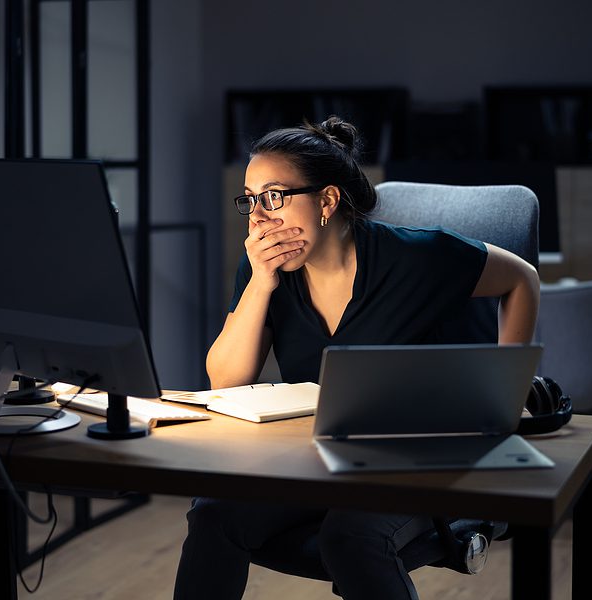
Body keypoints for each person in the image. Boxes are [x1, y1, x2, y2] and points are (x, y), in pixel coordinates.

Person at [173, 116, 540, 600]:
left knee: (349, 538)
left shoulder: (418, 257)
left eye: (274, 196)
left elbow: (522, 279)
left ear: (327, 200)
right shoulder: (266, 269)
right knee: (214, 515)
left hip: (416, 456)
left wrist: (504, 394)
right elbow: (225, 378)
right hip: (315, 455)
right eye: (250, 199)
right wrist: (261, 283)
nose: (258, 217)